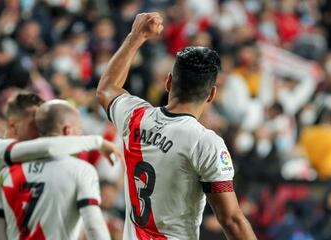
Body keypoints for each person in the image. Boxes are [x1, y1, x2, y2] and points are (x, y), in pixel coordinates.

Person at [97, 12, 257, 240]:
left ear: (169, 81)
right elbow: (230, 219)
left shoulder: (135, 117)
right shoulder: (205, 142)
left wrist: (137, 36)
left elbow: (107, 88)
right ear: (211, 94)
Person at [0, 92, 121, 239]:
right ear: (13, 126)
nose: (40, 130)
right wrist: (97, 142)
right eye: (34, 124)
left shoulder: (12, 170)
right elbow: (48, 146)